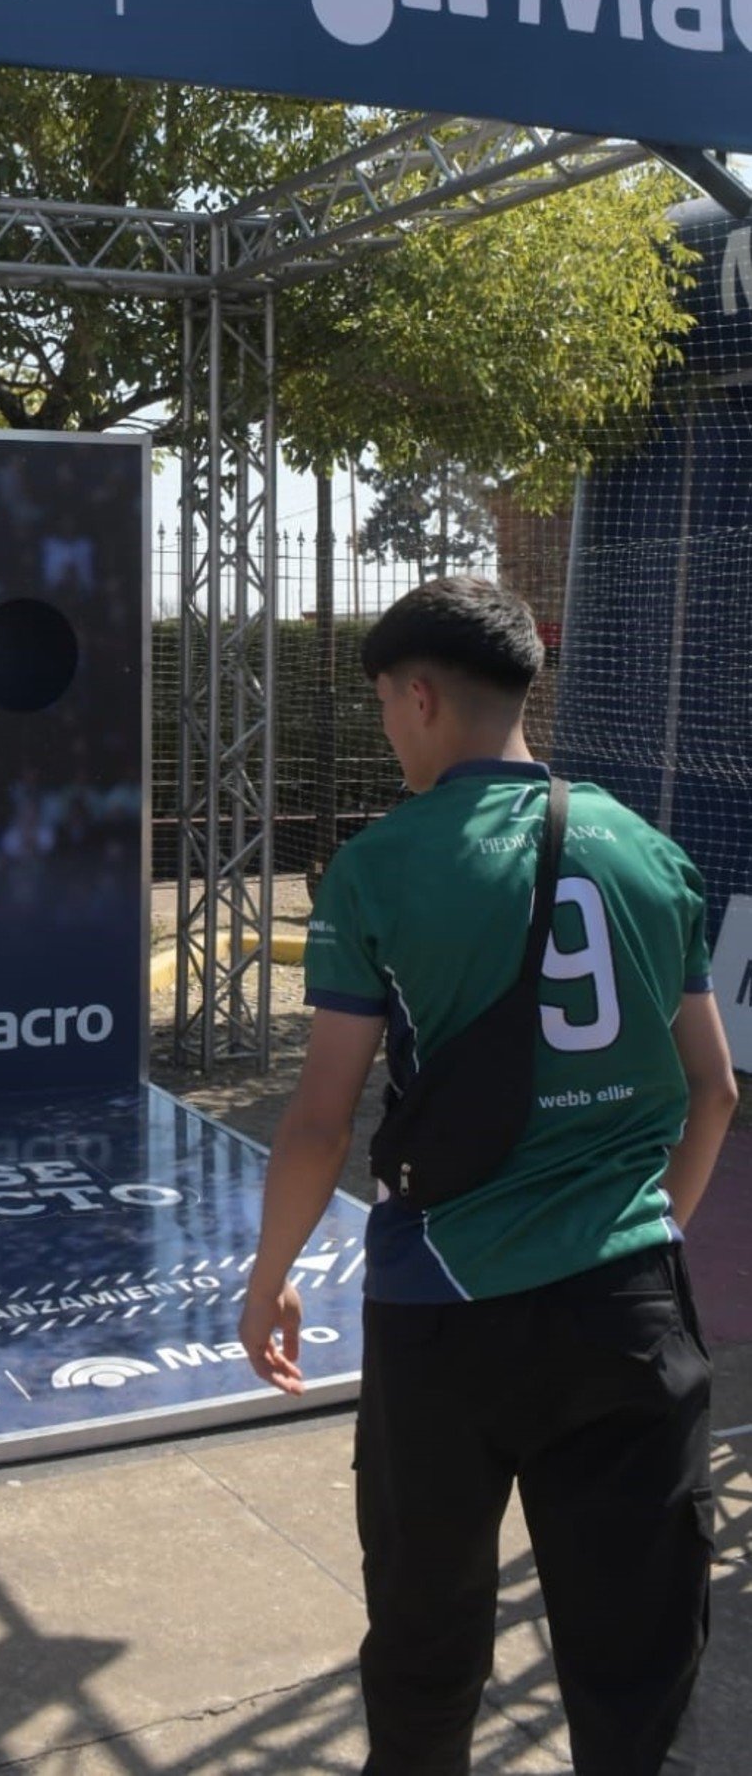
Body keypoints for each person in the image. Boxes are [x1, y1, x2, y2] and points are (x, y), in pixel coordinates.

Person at [239, 576, 738, 1776]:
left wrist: (270, 1277)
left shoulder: (377, 868)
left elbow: (317, 1123)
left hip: (442, 1312)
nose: (385, 729)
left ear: (416, 696)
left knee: (423, 1635)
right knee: (633, 1653)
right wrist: (640, 1233)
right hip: (624, 1307)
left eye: (380, 707)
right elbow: (712, 1092)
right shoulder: (647, 849)